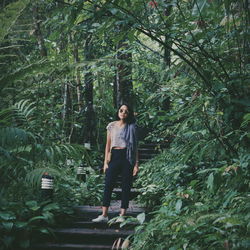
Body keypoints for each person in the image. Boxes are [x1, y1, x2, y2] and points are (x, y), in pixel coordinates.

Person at [92, 104, 139, 223]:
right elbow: (107, 145)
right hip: (114, 156)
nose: (123, 112)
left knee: (126, 186)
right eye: (121, 110)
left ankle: (122, 215)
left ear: (129, 114)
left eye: (126, 111)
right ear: (118, 112)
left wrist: (136, 164)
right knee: (108, 185)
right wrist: (105, 163)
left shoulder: (132, 127)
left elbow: (135, 147)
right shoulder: (111, 126)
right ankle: (104, 214)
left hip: (127, 157)